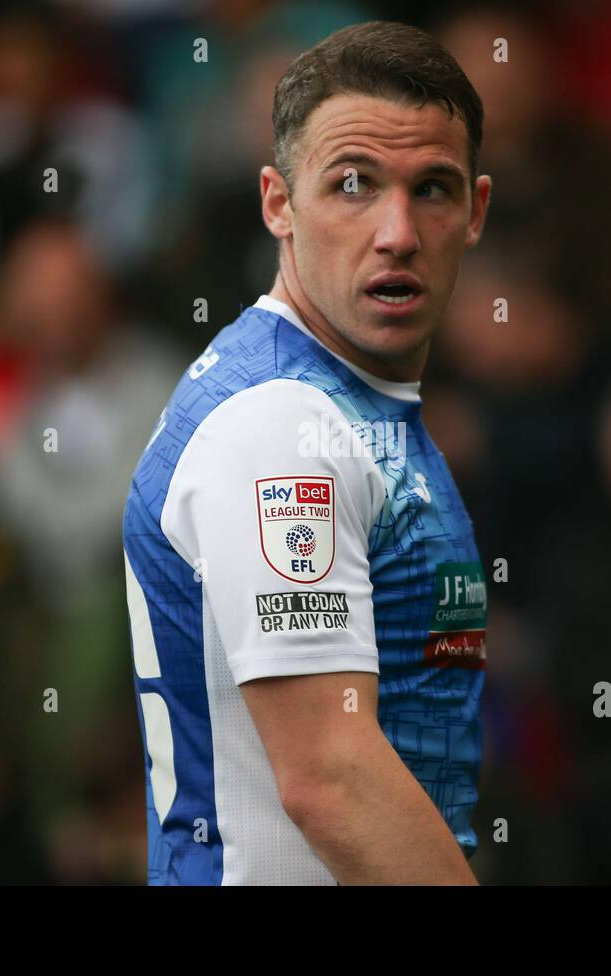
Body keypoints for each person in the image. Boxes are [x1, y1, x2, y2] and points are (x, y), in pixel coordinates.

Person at [122, 21, 491, 885]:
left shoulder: (344, 400)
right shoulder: (280, 427)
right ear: (278, 203)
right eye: (354, 184)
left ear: (475, 212)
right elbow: (331, 781)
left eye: (431, 189)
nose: (397, 231)